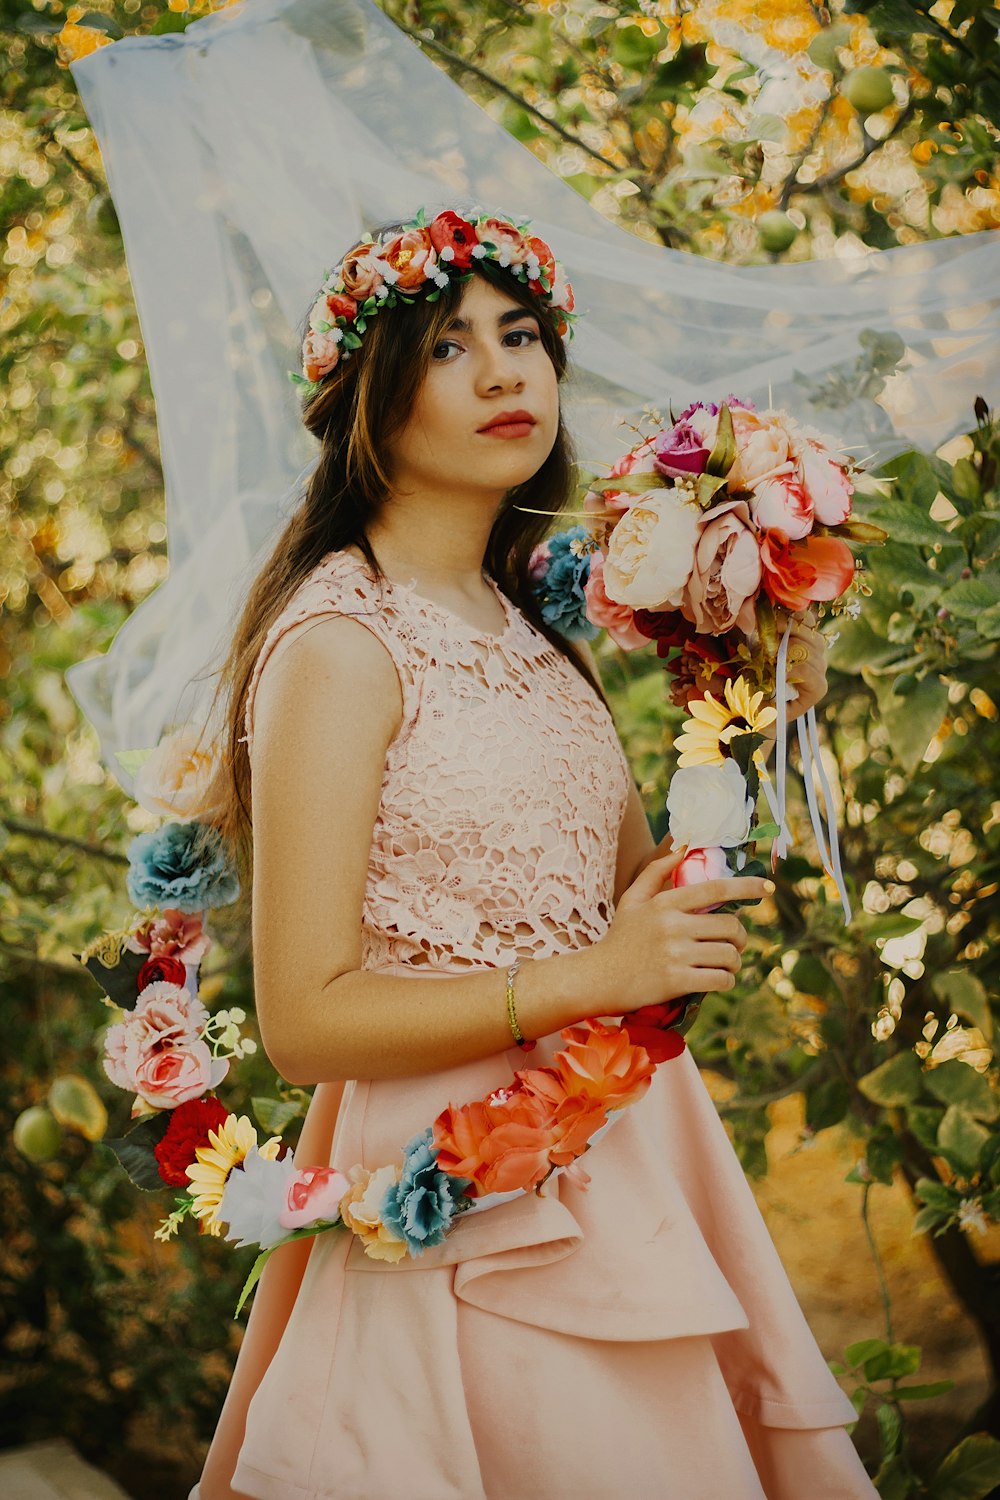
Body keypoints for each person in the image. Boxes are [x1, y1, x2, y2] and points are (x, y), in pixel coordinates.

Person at [189, 207, 876, 1500]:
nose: (508, 373)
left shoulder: (525, 630)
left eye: (524, 336)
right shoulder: (342, 647)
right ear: (367, 399)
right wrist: (582, 981)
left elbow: (624, 908)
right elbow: (301, 1018)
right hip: (453, 1183)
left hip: (621, 1143)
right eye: (450, 346)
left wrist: (764, 703)